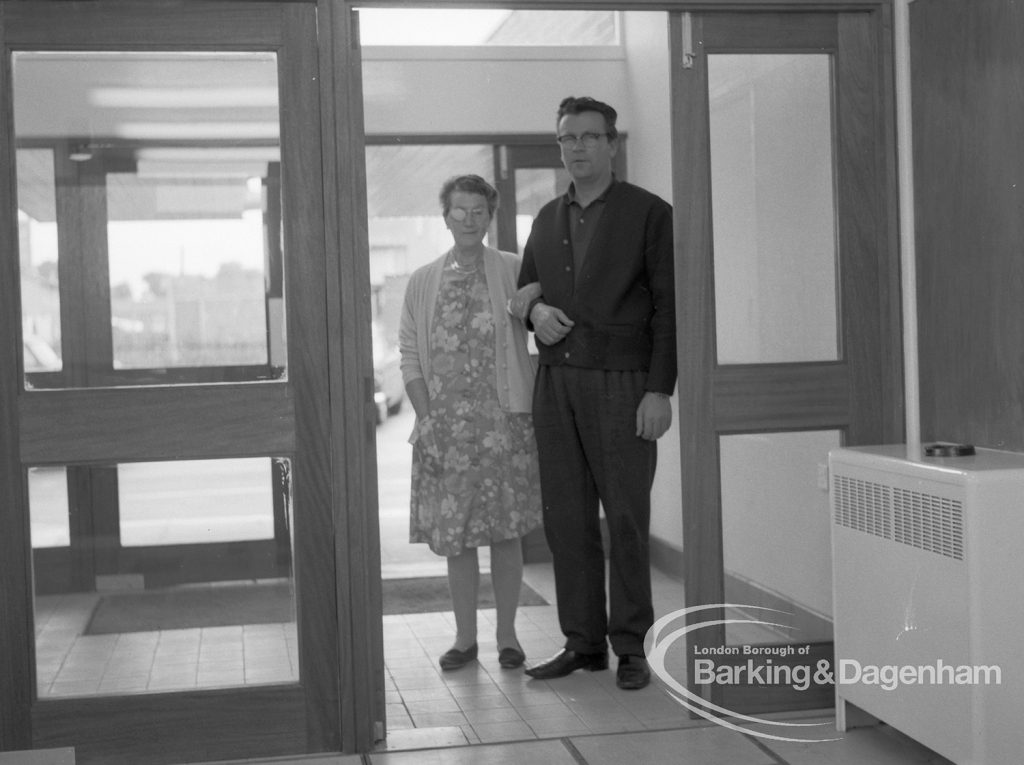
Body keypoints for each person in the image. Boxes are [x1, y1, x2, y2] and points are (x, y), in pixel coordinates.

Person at [516, 96, 676, 690]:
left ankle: (631, 646)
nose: (577, 147)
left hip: (624, 384)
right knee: (567, 519)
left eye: (589, 136)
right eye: (567, 138)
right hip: (556, 383)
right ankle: (582, 643)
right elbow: (526, 289)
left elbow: (669, 310)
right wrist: (536, 312)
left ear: (612, 143)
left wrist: (660, 389)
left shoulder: (649, 214)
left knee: (627, 518)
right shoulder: (546, 218)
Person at [399, 174, 542, 672]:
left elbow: (539, 325)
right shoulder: (422, 279)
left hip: (504, 423)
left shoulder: (513, 268)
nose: (468, 220)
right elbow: (409, 355)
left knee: (506, 532)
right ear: (445, 217)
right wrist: (429, 417)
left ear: (490, 215)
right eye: (459, 211)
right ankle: (464, 638)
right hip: (446, 429)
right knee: (455, 537)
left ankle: (507, 636)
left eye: (478, 211)